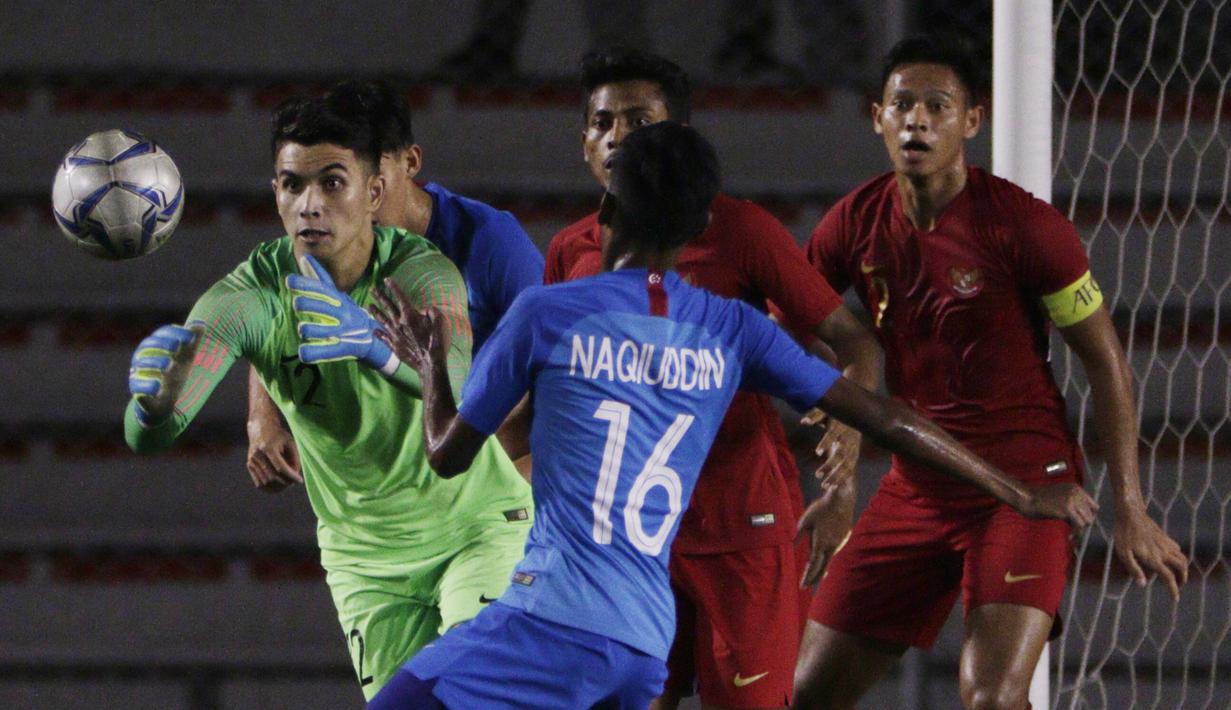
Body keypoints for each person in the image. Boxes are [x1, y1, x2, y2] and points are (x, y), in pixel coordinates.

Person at [363, 121, 1097, 710]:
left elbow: (447, 454)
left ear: (608, 211)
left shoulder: (548, 313)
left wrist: (432, 367)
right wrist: (1018, 491)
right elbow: (883, 416)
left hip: (551, 618)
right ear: (699, 224)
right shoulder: (729, 328)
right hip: (645, 640)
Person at [792, 34, 1190, 710]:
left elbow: (1105, 362)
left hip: (1027, 486)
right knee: (802, 694)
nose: (916, 120)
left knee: (992, 700)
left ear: (970, 122)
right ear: (876, 118)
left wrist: (1130, 507)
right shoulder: (852, 224)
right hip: (915, 488)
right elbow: (796, 319)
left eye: (937, 106)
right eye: (902, 105)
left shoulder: (1023, 226)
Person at [124, 95, 533, 700]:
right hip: (364, 563)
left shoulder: (422, 271)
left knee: (481, 697)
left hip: (477, 529)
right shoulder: (251, 296)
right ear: (275, 193)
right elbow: (153, 434)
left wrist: (375, 343)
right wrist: (151, 406)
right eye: (292, 185)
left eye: (331, 182)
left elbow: (460, 387)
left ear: (373, 193)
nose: (309, 204)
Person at [545, 47, 881, 710]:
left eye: (637, 120)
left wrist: (841, 484)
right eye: (602, 121)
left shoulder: (739, 232)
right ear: (583, 140)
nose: (616, 136)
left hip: (740, 524)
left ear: (678, 137)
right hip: (631, 542)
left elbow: (852, 342)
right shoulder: (569, 251)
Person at [245, 79, 544, 492]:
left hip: (496, 478)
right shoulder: (333, 240)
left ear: (410, 162)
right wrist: (262, 418)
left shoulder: (491, 243)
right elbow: (275, 311)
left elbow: (551, 373)